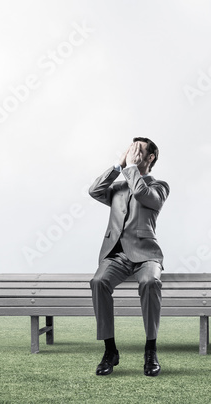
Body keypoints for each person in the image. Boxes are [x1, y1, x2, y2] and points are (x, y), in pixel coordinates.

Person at [88, 137, 170, 376]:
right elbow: (94, 191)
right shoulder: (118, 187)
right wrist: (118, 166)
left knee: (150, 282)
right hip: (116, 255)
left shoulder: (159, 186)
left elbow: (144, 195)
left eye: (138, 150)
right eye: (130, 149)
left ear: (150, 157)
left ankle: (150, 350)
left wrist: (132, 168)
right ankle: (110, 350)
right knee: (98, 282)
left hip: (146, 255)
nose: (132, 152)